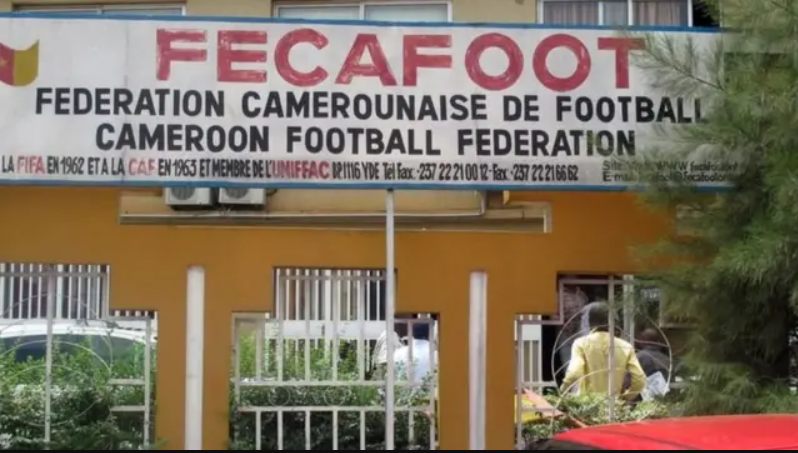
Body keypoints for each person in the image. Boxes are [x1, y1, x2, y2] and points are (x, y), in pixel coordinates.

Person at [561, 302, 646, 400]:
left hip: (588, 405)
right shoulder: (626, 346)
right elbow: (640, 380)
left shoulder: (581, 344)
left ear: (591, 322)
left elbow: (573, 374)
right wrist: (625, 398)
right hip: (614, 405)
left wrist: (563, 391)